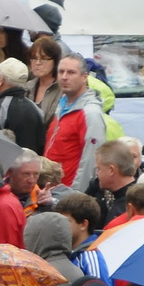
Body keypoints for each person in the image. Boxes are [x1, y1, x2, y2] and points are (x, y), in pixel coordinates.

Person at [44, 55, 107, 192]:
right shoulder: (62, 105)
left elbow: (91, 162)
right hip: (53, 190)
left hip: (70, 194)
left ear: (84, 77)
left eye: (71, 72)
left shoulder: (90, 113)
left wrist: (76, 196)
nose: (64, 77)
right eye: (61, 72)